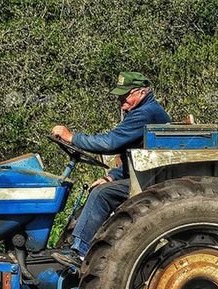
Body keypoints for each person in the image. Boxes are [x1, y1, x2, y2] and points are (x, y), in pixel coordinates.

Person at [50, 71, 171, 269]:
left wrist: (71, 137)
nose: (121, 101)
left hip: (151, 179)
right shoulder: (145, 110)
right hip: (146, 174)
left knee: (101, 194)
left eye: (125, 96)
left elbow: (110, 143)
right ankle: (74, 244)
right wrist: (112, 176)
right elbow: (134, 156)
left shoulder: (145, 113)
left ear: (141, 92)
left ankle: (79, 253)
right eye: (119, 96)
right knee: (101, 187)